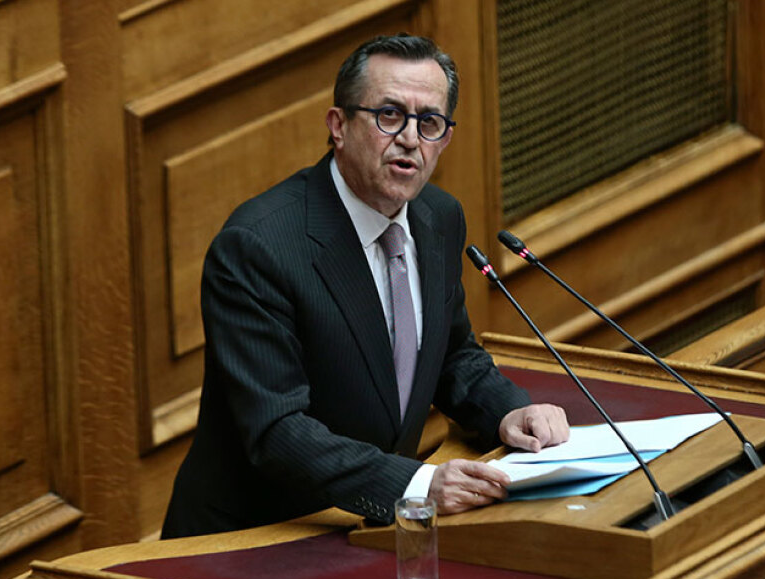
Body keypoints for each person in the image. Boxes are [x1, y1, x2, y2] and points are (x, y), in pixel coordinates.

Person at [161, 34, 569, 538]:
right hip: (258, 540)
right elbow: (276, 429)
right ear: (338, 125)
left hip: (370, 533)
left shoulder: (438, 217)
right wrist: (416, 485)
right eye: (389, 115)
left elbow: (450, 355)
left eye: (429, 122)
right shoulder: (259, 247)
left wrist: (510, 410)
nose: (410, 139)